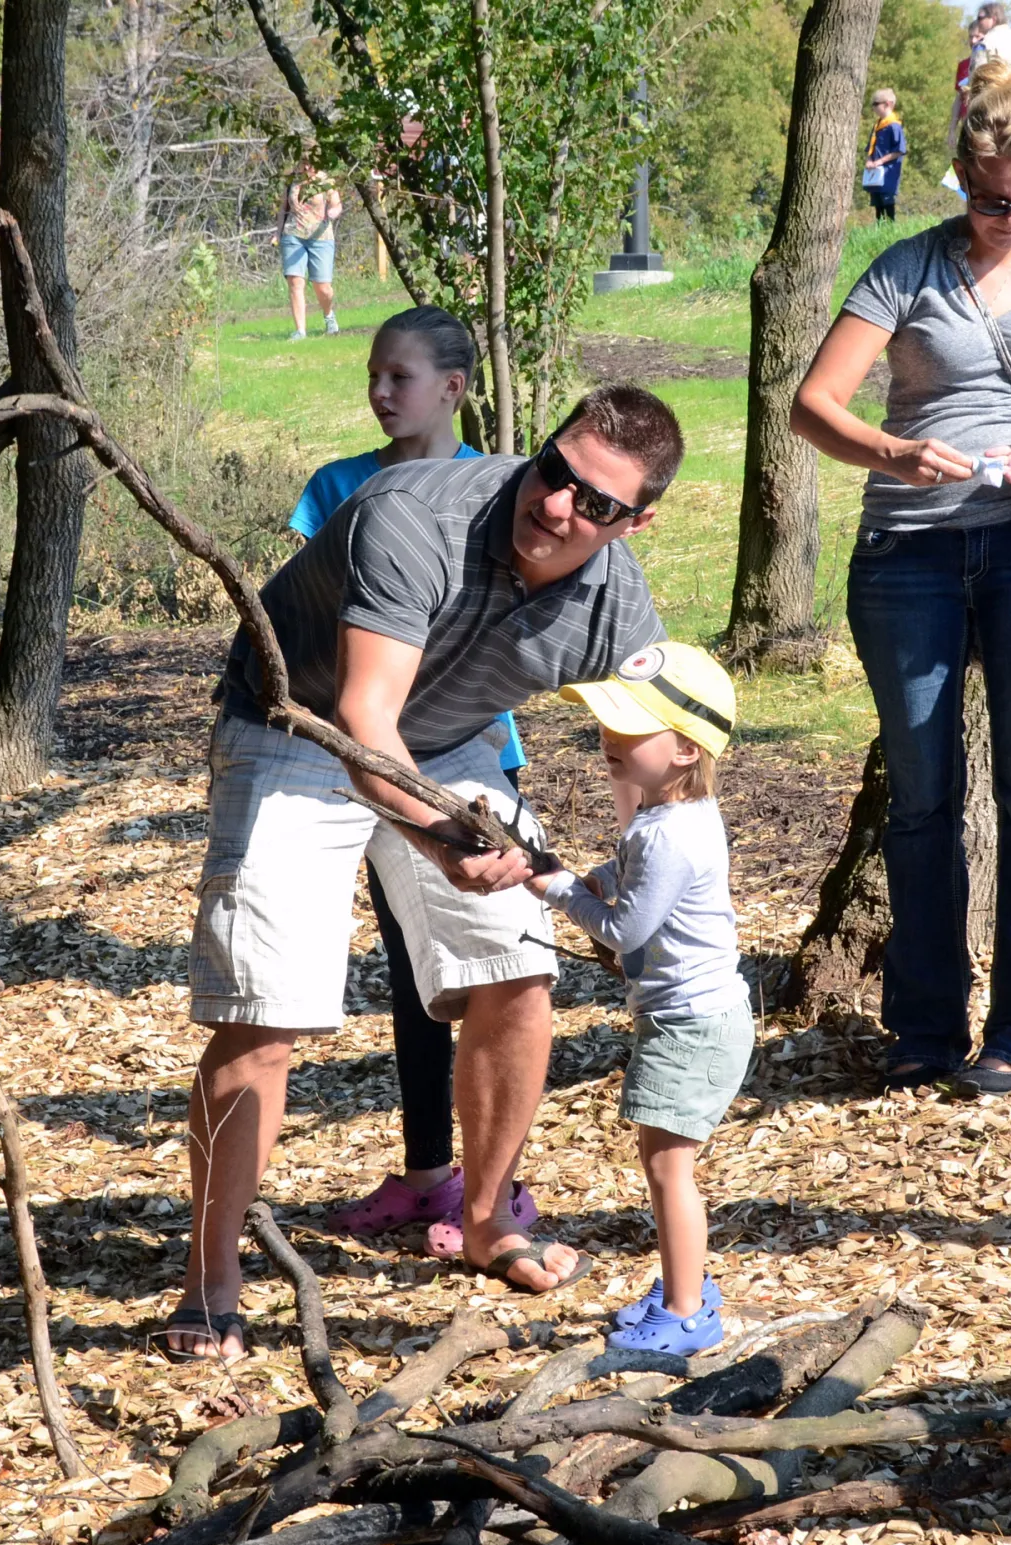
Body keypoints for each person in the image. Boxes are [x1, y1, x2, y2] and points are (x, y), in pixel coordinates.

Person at [164, 386, 683, 1360]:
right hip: (296, 727)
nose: (560, 506)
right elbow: (363, 724)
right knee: (264, 1011)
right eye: (554, 471)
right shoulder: (415, 516)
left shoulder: (616, 600)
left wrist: (668, 887)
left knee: (519, 974)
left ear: (635, 523)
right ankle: (210, 1277)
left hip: (445, 744)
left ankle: (486, 1219)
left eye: (596, 504)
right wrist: (446, 845)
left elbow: (660, 757)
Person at [789, 60, 1011, 1098]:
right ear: (960, 179)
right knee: (924, 798)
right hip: (911, 552)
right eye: (990, 201)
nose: (1010, 219)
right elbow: (814, 406)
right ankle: (923, 1027)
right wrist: (892, 453)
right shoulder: (904, 268)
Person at [286, 307, 541, 1258]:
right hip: (368, 756)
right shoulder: (338, 488)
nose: (381, 392)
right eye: (374, 376)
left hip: (473, 757)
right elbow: (311, 617)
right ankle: (430, 1172)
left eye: (401, 377)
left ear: (455, 387)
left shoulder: (500, 489)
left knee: (498, 969)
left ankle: (497, 1187)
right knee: (411, 971)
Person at [527, 643, 750, 1355]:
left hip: (690, 1027)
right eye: (606, 723)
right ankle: (687, 1286)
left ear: (686, 747)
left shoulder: (668, 837)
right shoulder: (671, 817)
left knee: (666, 1168)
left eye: (630, 728)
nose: (609, 739)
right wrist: (585, 875)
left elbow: (625, 932)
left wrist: (556, 888)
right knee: (665, 1162)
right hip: (695, 1017)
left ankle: (688, 1311)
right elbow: (623, 871)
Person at [949, 4, 1011, 146]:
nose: (978, 21)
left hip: (994, 113)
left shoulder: (985, 43)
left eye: (980, 18)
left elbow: (976, 81)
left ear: (993, 18)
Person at [281, 160, 344, 341]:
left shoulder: (326, 181)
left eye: (310, 163)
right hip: (293, 235)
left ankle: (329, 315)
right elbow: (282, 210)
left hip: (321, 237)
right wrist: (277, 233)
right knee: (295, 281)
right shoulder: (291, 180)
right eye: (303, 163)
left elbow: (336, 204)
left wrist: (333, 212)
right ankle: (300, 331)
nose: (307, 167)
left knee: (322, 286)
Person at [863, 88, 907, 222]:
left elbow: (899, 150)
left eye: (876, 104)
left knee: (887, 202)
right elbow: (871, 147)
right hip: (875, 173)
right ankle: (879, 231)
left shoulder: (894, 126)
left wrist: (880, 162)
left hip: (888, 172)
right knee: (877, 204)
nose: (873, 108)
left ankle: (890, 229)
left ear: (887, 104)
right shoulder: (877, 125)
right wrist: (869, 160)